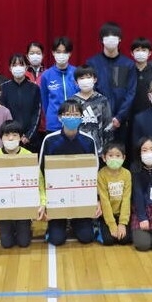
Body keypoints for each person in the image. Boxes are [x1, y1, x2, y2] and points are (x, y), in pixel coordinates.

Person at [39, 99, 98, 246]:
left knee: (87, 237)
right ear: (60, 117)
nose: (72, 117)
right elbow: (41, 173)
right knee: (56, 239)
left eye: (76, 114)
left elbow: (94, 172)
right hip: (56, 199)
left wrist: (96, 200)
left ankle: (76, 222)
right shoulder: (50, 140)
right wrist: (43, 203)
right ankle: (59, 224)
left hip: (81, 198)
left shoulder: (88, 141)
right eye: (68, 114)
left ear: (81, 117)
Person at [0, 120, 46, 248]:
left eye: (15, 135)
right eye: (6, 135)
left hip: (24, 207)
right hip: (3, 207)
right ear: (1, 137)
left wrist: (42, 203)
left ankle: (26, 226)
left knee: (24, 242)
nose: (10, 138)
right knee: (6, 243)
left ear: (21, 137)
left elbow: (39, 182)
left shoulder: (28, 156)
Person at [85, 22, 137, 143]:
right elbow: (90, 91)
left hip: (120, 122)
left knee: (118, 152)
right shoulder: (92, 63)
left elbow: (130, 93)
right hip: (97, 120)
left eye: (114, 36)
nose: (110, 39)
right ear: (101, 40)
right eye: (107, 36)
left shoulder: (128, 64)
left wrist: (119, 117)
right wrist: (101, 115)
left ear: (120, 39)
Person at [0, 53, 42, 153]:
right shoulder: (4, 88)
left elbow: (37, 113)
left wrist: (29, 135)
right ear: (10, 68)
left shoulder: (34, 88)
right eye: (14, 65)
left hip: (30, 139)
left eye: (21, 64)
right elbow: (3, 113)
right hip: (10, 139)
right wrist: (12, 135)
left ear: (26, 67)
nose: (18, 67)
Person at [71, 65, 113, 156]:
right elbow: (69, 127)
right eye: (82, 78)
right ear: (76, 82)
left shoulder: (102, 100)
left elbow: (108, 126)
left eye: (88, 77)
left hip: (99, 150)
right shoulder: (72, 102)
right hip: (78, 149)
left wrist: (107, 149)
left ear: (95, 79)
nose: (85, 80)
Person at [40, 36, 79, 133]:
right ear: (53, 53)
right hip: (54, 124)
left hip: (74, 122)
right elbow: (44, 101)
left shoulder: (76, 73)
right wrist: (52, 115)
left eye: (65, 52)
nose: (61, 55)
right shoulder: (46, 75)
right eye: (58, 51)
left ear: (70, 53)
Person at [97, 142, 132, 245]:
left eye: (118, 156)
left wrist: (122, 223)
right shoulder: (101, 174)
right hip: (107, 215)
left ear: (123, 158)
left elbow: (126, 199)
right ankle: (97, 229)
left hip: (121, 214)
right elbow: (104, 200)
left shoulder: (127, 174)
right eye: (110, 155)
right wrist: (112, 224)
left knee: (125, 240)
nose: (114, 158)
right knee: (109, 241)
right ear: (104, 158)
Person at [130, 37, 152, 117]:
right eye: (137, 50)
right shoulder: (128, 70)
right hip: (130, 113)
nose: (140, 53)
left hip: (150, 112)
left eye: (144, 50)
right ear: (132, 53)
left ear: (149, 53)